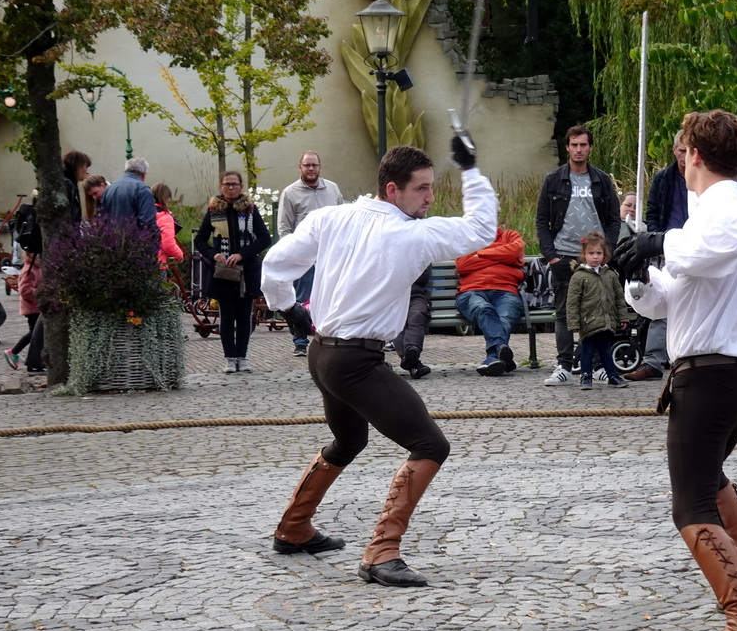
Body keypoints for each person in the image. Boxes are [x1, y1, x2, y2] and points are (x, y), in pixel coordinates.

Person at [261, 139, 495, 588]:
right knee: (431, 445)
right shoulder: (411, 234)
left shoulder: (329, 217)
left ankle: (293, 529)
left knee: (348, 439)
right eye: (422, 189)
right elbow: (482, 228)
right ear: (393, 189)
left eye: (432, 187)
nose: (429, 197)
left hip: (322, 355)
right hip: (355, 363)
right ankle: (381, 551)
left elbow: (275, 262)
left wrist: (285, 304)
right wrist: (470, 167)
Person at [614, 109, 737, 631]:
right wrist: (637, 277)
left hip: (714, 376)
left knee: (691, 506)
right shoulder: (707, 212)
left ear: (693, 157)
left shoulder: (726, 205)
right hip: (720, 374)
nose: (679, 163)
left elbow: (720, 249)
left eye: (682, 153)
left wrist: (658, 242)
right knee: (709, 483)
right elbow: (672, 298)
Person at [536, 125, 620, 386]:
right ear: (567, 147)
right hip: (564, 255)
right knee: (564, 313)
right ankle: (564, 365)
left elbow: (614, 220)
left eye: (583, 145)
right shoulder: (553, 179)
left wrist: (608, 251)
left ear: (590, 147)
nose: (579, 149)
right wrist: (550, 255)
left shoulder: (602, 180)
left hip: (594, 256)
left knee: (596, 312)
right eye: (574, 145)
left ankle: (596, 366)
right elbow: (542, 220)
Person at [625, 133, 689, 382]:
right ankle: (653, 361)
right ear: (674, 151)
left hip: (694, 247)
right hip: (668, 246)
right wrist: (656, 241)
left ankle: (682, 358)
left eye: (689, 151)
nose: (684, 156)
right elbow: (653, 213)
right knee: (661, 300)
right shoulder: (664, 178)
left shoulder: (705, 177)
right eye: (681, 151)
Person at [194, 171, 271, 373]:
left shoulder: (250, 210)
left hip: (246, 271)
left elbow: (264, 238)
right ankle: (229, 358)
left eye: (234, 184)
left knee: (244, 316)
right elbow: (200, 240)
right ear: (220, 187)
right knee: (227, 316)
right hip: (224, 272)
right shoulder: (215, 210)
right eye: (227, 184)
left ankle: (242, 357)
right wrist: (213, 254)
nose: (230, 188)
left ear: (241, 186)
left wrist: (242, 254)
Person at [277, 151, 346, 358]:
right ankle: (300, 341)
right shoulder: (290, 193)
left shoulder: (332, 189)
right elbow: (284, 227)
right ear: (300, 167)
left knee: (330, 298)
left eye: (314, 165)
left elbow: (343, 220)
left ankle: (328, 338)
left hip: (330, 255)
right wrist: (291, 253)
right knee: (300, 300)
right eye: (307, 165)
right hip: (304, 257)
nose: (311, 169)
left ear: (320, 167)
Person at [455, 220, 525, 376]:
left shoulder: (510, 235)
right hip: (471, 292)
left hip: (506, 290)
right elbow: (463, 265)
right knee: (483, 309)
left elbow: (514, 253)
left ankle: (493, 357)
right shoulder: (468, 240)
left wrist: (480, 254)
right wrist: (501, 255)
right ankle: (499, 351)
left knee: (504, 318)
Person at [568, 231, 630, 390]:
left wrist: (622, 318)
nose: (595, 257)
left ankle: (613, 376)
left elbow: (618, 298)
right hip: (588, 322)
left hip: (607, 320)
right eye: (591, 253)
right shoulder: (579, 276)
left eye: (598, 253)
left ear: (604, 255)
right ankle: (586, 376)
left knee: (606, 351)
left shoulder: (610, 274)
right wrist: (574, 322)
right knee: (587, 350)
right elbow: (573, 301)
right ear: (584, 254)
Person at [3, 250, 43, 373]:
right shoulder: (29, 269)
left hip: (36, 306)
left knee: (36, 334)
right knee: (35, 334)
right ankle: (14, 352)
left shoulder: (36, 267)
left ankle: (30, 360)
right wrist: (40, 294)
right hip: (32, 307)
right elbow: (25, 290)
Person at [99, 157, 159, 235]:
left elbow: (102, 219)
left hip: (111, 242)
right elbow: (148, 224)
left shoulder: (109, 189)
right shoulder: (142, 189)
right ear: (143, 174)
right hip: (134, 243)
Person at [393, 266, 432, 379]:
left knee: (417, 314)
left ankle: (412, 350)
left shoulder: (421, 250)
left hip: (416, 296)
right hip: (392, 298)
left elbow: (423, 277)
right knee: (397, 320)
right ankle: (413, 362)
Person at [152, 182, 184, 272]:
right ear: (164, 198)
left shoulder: (145, 213)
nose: (169, 200)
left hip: (142, 262)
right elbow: (168, 244)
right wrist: (179, 255)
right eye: (168, 197)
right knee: (160, 286)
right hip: (158, 263)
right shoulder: (165, 217)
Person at [61, 150, 90, 224]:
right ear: (79, 166)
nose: (87, 172)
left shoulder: (68, 183)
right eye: (86, 167)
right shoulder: (68, 185)